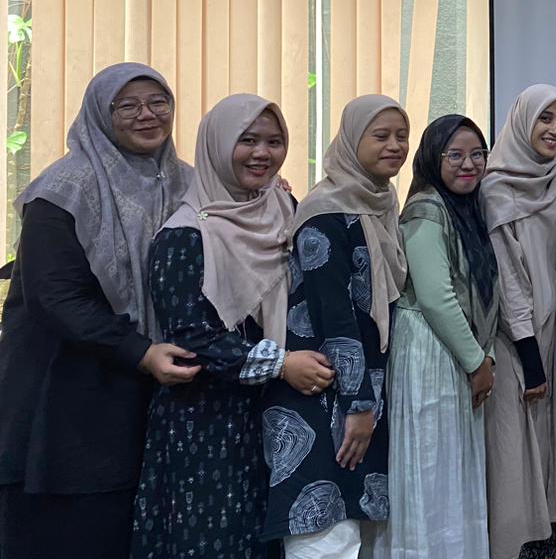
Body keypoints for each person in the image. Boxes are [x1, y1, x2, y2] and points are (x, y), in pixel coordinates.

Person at [0, 63, 199, 559]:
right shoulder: (62, 190)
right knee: (73, 530)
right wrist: (140, 351)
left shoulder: (191, 184)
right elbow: (56, 297)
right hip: (68, 391)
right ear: (99, 115)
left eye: (158, 102)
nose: (147, 115)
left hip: (153, 388)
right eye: (127, 106)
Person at [131, 94, 335, 558]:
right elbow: (191, 336)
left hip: (277, 412)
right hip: (207, 421)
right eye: (247, 140)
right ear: (218, 145)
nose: (262, 153)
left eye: (274, 141)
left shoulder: (284, 209)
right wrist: (281, 364)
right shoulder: (185, 235)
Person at [260, 96, 410, 559]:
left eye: (401, 136)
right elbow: (335, 317)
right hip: (322, 391)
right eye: (380, 136)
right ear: (351, 141)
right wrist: (359, 405)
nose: (394, 146)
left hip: (357, 389)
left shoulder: (380, 204)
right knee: (324, 537)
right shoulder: (326, 212)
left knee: (351, 535)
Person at [375, 114, 498, 559]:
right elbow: (435, 296)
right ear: (432, 157)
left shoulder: (466, 207)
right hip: (430, 350)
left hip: (457, 350)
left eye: (477, 154)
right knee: (430, 469)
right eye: (455, 155)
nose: (469, 164)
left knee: (450, 468)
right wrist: (477, 362)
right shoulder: (426, 209)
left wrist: (483, 355)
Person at [480, 84, 556, 559]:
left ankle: (550, 536)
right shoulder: (495, 187)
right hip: (516, 336)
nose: (555, 130)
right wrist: (528, 352)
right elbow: (508, 280)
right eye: (545, 119)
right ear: (522, 121)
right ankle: (515, 543)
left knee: (548, 437)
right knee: (515, 443)